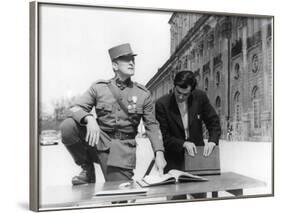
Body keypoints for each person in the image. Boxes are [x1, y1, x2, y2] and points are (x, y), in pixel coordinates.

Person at [60, 43, 166, 185]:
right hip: (99, 141)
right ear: (115, 66)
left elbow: (152, 126)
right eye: (126, 59)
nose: (131, 62)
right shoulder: (99, 88)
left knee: (119, 197)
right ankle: (87, 169)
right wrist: (89, 118)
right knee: (68, 126)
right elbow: (74, 108)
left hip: (122, 150)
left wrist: (159, 152)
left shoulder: (143, 94)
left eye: (132, 59)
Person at [155, 70, 221, 199]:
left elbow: (213, 122)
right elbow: (165, 137)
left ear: (191, 91)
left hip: (197, 160)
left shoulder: (200, 97)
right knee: (176, 203)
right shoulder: (162, 104)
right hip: (174, 161)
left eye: (185, 94)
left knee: (199, 201)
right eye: (178, 92)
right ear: (174, 86)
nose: (180, 97)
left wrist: (213, 141)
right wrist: (183, 144)